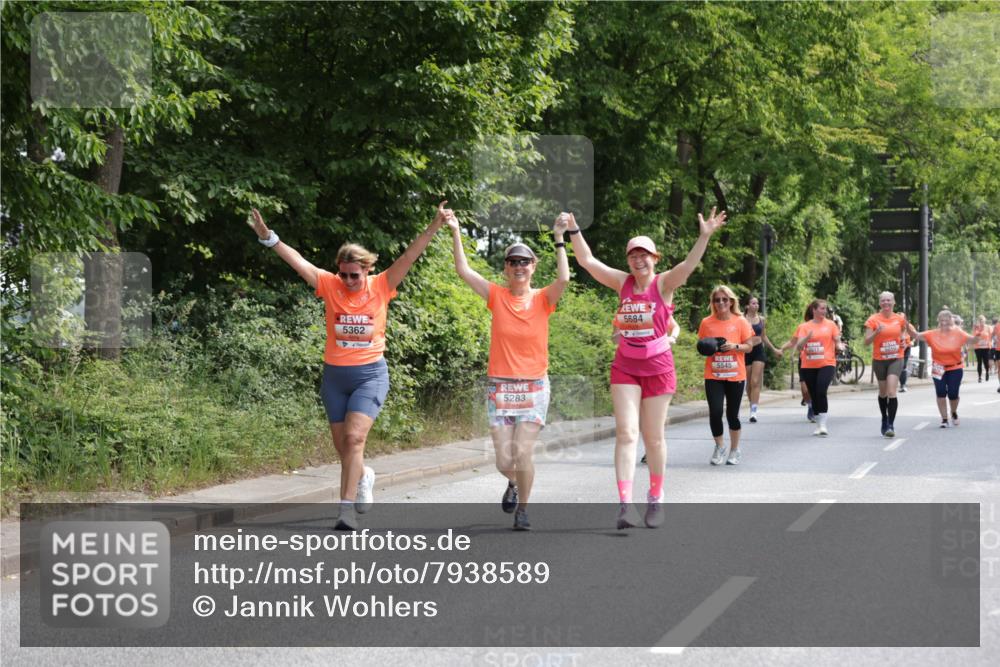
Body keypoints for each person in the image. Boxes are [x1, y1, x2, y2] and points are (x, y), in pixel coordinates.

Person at [248, 203, 447, 531]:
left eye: (355, 275)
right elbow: (297, 261)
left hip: (370, 375)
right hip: (335, 378)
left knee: (354, 439)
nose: (349, 280)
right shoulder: (329, 285)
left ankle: (345, 510)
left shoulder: (381, 285)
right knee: (344, 448)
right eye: (344, 274)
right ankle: (364, 475)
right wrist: (268, 237)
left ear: (367, 270)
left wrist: (434, 225)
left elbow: (410, 256)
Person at [567, 208, 727, 529]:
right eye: (633, 255)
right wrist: (573, 230)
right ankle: (625, 505)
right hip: (626, 365)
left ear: (655, 258)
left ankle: (655, 496)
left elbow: (688, 266)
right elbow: (587, 261)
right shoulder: (622, 282)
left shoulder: (664, 284)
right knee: (626, 433)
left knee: (653, 438)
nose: (638, 260)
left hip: (658, 367)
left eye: (644, 255)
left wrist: (704, 236)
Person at [446, 211, 570, 531]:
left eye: (524, 262)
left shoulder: (544, 298)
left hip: (533, 387)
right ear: (506, 268)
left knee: (523, 452)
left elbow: (565, 279)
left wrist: (559, 238)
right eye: (513, 262)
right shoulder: (496, 296)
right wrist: (457, 231)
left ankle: (524, 510)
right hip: (500, 387)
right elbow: (462, 269)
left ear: (532, 268)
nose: (518, 267)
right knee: (504, 460)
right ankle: (513, 483)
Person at [699, 286, 755, 465]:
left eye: (725, 299)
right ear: (713, 303)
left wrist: (734, 346)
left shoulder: (740, 322)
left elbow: (749, 346)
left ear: (731, 302)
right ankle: (720, 446)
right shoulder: (706, 322)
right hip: (713, 375)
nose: (721, 303)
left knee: (733, 415)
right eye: (717, 300)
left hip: (735, 375)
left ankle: (734, 449)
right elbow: (702, 345)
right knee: (715, 412)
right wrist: (708, 348)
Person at [777, 299, 844, 436]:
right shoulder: (804, 327)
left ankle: (823, 425)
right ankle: (819, 424)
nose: (824, 311)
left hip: (827, 363)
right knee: (813, 394)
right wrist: (807, 337)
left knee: (821, 390)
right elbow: (798, 345)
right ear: (814, 310)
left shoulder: (831, 325)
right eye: (821, 308)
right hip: (808, 365)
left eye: (825, 309)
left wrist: (840, 346)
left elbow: (837, 341)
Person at [911, 309, 984, 427]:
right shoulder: (932, 333)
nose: (944, 322)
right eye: (941, 320)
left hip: (955, 367)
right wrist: (906, 326)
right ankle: (944, 419)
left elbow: (972, 340)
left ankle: (954, 412)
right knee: (940, 393)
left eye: (946, 319)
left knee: (953, 394)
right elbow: (915, 335)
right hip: (938, 367)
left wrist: (978, 334)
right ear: (938, 321)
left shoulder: (958, 333)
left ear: (951, 320)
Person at [863, 291, 910, 438]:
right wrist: (876, 332)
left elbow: (903, 332)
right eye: (883, 301)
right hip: (879, 360)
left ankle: (890, 424)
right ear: (880, 303)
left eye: (889, 300)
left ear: (894, 302)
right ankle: (884, 417)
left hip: (896, 358)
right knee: (882, 393)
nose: (886, 303)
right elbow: (866, 342)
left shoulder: (899, 319)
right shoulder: (873, 320)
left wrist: (903, 339)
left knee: (891, 392)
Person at [742, 294, 779, 423]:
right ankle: (751, 402)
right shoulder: (741, 318)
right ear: (747, 305)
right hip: (746, 351)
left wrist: (774, 349)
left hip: (758, 351)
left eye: (757, 303)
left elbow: (763, 337)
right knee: (748, 382)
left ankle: (753, 411)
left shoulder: (762, 319)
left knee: (755, 381)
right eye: (753, 303)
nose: (756, 305)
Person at [972, 315, 992, 382]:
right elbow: (974, 335)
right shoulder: (976, 327)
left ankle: (987, 372)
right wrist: (976, 330)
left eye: (982, 321)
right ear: (978, 321)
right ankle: (979, 377)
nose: (981, 322)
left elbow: (991, 336)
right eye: (980, 321)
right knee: (979, 362)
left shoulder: (988, 327)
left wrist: (990, 343)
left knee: (986, 362)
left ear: (984, 321)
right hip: (978, 347)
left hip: (986, 347)